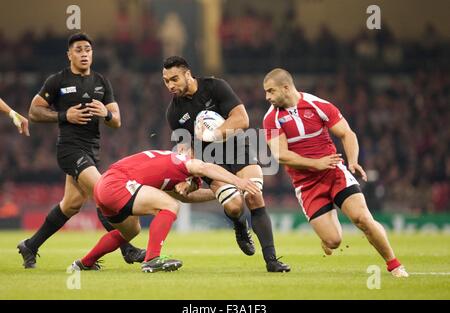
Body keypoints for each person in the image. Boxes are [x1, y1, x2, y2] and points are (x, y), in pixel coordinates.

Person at [262, 68, 408, 277]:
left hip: (334, 172)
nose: (267, 97)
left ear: (286, 88)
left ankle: (395, 265)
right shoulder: (271, 119)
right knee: (333, 241)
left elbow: (347, 133)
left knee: (362, 219)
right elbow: (281, 155)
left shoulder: (318, 105)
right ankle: (327, 238)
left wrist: (353, 160)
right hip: (306, 185)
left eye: (271, 91)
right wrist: (315, 163)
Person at [17, 32, 145, 269]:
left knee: (71, 205)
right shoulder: (58, 81)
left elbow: (116, 121)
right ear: (69, 55)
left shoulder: (101, 82)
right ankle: (127, 249)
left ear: (92, 54)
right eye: (78, 50)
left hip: (91, 152)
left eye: (87, 49)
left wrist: (105, 113)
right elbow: (34, 112)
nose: (84, 53)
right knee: (103, 193)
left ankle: (30, 245)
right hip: (70, 150)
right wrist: (65, 115)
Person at [163, 56, 290, 272]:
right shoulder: (173, 112)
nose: (170, 85)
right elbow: (187, 149)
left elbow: (242, 119)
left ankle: (272, 261)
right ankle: (239, 224)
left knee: (253, 194)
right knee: (234, 206)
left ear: (187, 73)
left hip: (238, 147)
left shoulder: (215, 87)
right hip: (209, 159)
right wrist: (192, 177)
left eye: (174, 79)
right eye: (166, 81)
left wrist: (214, 133)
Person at [71, 149, 260, 273]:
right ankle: (152, 259)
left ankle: (84, 262)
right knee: (170, 206)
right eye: (194, 182)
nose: (191, 185)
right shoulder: (183, 161)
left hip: (105, 186)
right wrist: (238, 182)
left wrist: (219, 193)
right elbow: (203, 167)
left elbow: (185, 196)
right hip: (118, 184)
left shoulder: (169, 172)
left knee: (130, 231)